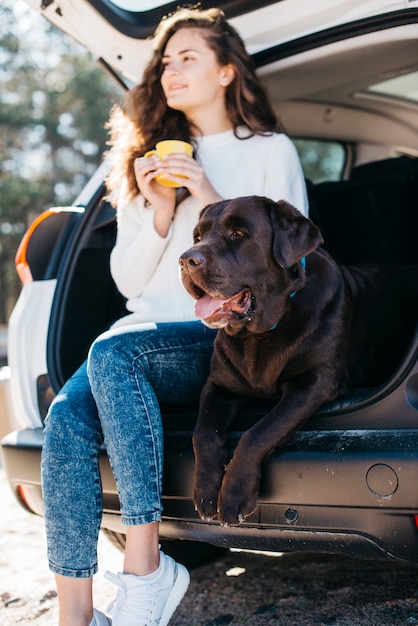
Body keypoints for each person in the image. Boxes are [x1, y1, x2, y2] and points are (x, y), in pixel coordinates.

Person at [41, 6, 309, 626]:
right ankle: (76, 617)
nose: (171, 70)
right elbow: (129, 282)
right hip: (140, 337)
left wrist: (208, 195)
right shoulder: (146, 165)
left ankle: (146, 566)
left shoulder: (270, 151)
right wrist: (161, 209)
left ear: (225, 72)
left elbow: (291, 262)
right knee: (65, 422)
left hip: (223, 332)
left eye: (188, 57)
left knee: (111, 354)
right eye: (164, 61)